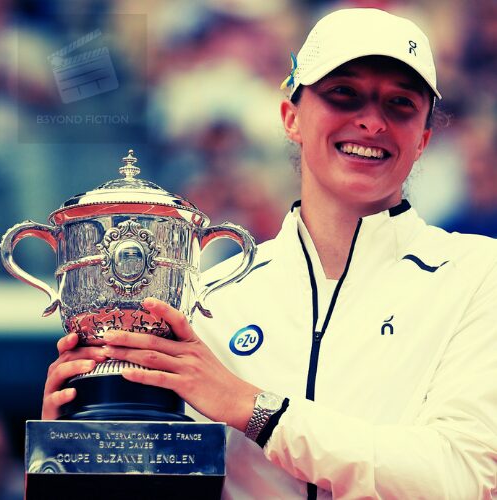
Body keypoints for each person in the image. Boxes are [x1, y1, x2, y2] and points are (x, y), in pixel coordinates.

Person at [42, 8, 497, 499]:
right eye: (343, 94)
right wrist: (71, 446)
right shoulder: (212, 294)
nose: (371, 121)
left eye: (400, 103)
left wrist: (258, 411)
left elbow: (463, 477)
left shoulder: (476, 275)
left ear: (424, 139)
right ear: (291, 118)